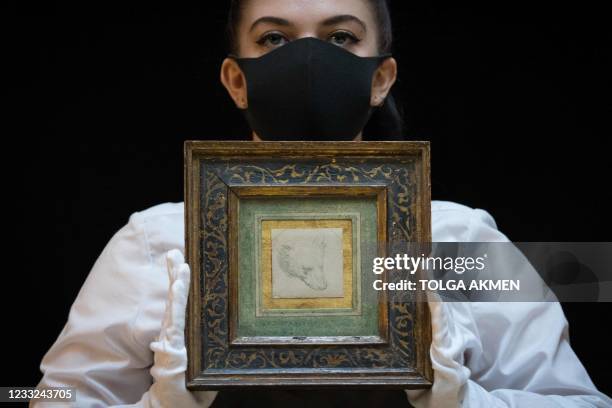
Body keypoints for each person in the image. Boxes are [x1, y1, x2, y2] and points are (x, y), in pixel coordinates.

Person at [34, 0, 611, 407]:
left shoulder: (458, 237)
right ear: (237, 80)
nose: (308, 61)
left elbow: (582, 402)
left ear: (380, 77)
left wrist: (464, 403)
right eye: (274, 39)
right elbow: (42, 394)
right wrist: (161, 405)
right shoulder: (156, 238)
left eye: (340, 38)